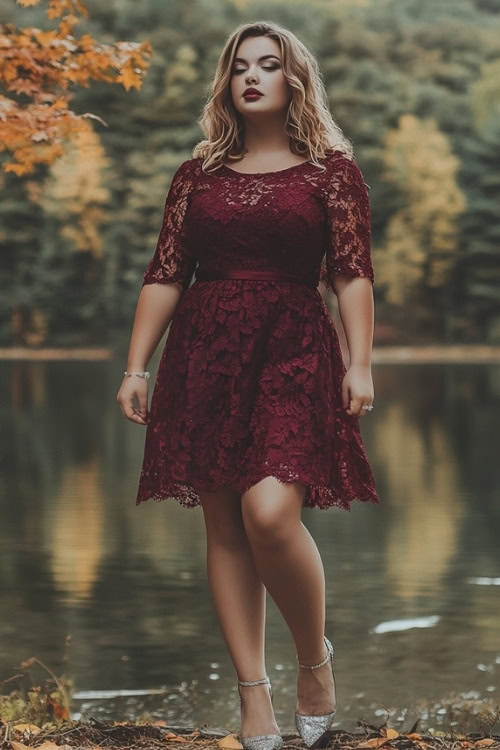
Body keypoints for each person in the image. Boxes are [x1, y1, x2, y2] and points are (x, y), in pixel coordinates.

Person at [116, 20, 380, 750]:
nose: (252, 77)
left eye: (269, 65)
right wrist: (137, 366)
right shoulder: (196, 175)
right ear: (227, 84)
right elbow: (167, 272)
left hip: (294, 345)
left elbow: (352, 273)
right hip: (205, 351)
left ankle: (313, 661)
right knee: (225, 524)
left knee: (270, 514)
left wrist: (361, 362)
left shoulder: (333, 171)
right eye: (241, 67)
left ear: (295, 79)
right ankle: (253, 697)